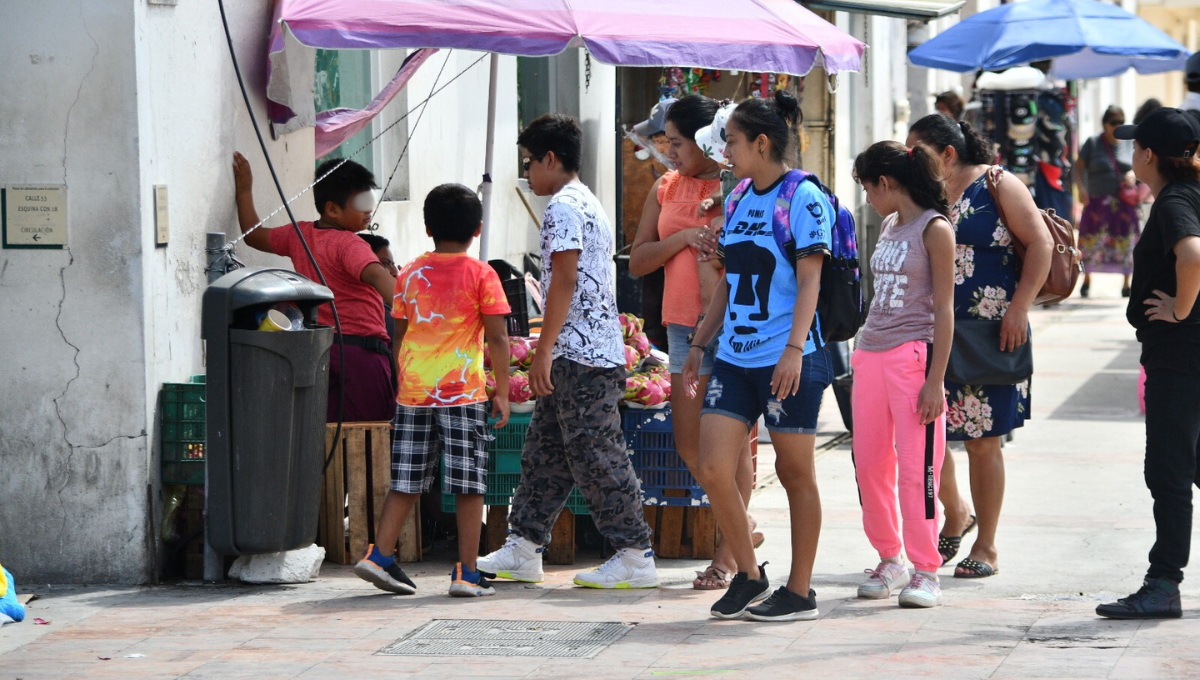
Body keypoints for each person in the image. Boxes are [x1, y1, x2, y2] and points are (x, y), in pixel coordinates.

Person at [478, 114, 659, 589]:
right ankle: (523, 546)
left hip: (580, 356)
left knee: (596, 455)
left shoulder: (563, 207)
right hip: (585, 352)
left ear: (550, 159)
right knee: (546, 453)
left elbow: (564, 278)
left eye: (528, 163)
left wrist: (543, 351)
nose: (527, 174)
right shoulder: (585, 201)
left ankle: (633, 552)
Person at [684, 90, 834, 621]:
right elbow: (730, 280)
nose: (725, 150)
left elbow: (811, 279)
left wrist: (794, 349)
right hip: (734, 356)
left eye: (732, 141)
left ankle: (800, 591)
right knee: (711, 465)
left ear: (762, 142)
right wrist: (701, 342)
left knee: (796, 474)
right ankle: (749, 574)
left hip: (788, 357)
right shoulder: (740, 194)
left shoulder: (803, 197)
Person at [907, 114, 1053, 578]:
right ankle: (957, 511)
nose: (912, 160)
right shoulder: (925, 192)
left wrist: (1019, 309)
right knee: (927, 436)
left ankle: (986, 545)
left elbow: (1041, 244)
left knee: (983, 442)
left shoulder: (997, 183)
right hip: (928, 331)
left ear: (948, 153)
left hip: (990, 330)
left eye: (919, 152)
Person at [354, 184, 512, 598]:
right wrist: (504, 391)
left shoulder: (408, 274)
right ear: (477, 229)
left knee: (405, 479)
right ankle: (466, 572)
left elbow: (399, 333)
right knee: (468, 482)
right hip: (462, 392)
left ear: (427, 228)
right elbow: (497, 338)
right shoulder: (483, 275)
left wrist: (403, 381)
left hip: (414, 391)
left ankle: (380, 554)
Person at [628, 96, 759, 591]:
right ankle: (744, 530)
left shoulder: (742, 188)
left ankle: (728, 556)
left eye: (678, 143)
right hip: (683, 329)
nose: (671, 152)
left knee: (732, 448)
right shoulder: (665, 187)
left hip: (734, 327)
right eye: (667, 143)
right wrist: (682, 240)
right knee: (689, 445)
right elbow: (639, 259)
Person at [1097, 108, 1200, 619]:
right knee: (1194, 464)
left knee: (1169, 472)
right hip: (1187, 357)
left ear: (1150, 155)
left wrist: (1180, 309)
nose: (1131, 154)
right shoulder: (1192, 195)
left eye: (1137, 147)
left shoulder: (1175, 202)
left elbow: (1193, 254)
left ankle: (1163, 583)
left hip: (1179, 360)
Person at [850, 141, 956, 608]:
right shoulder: (892, 224)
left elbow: (946, 310)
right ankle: (889, 557)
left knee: (918, 470)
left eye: (869, 189)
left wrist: (935, 379)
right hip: (870, 353)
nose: (868, 199)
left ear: (887, 183)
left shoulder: (935, 229)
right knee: (870, 463)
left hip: (913, 358)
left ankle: (926, 568)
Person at [232, 153, 396, 422]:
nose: (369, 209)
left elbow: (252, 236)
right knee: (368, 444)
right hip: (362, 358)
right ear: (332, 209)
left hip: (320, 354)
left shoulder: (298, 235)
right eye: (360, 203)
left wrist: (245, 190)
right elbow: (378, 276)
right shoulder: (350, 244)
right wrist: (414, 308)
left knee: (324, 439)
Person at [1076, 106, 1139, 298]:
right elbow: (1078, 168)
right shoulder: (1094, 143)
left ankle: (1126, 283)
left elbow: (1141, 164)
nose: (1117, 126)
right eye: (1114, 122)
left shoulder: (1130, 143)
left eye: (1121, 122)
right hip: (1097, 203)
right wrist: (1081, 188)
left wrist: (1133, 174)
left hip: (1123, 203)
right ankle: (1087, 280)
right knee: (1091, 241)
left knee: (1126, 240)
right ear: (1105, 124)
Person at [359, 232, 400, 394]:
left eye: (393, 264)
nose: (394, 271)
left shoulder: (386, 306)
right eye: (385, 264)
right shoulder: (380, 311)